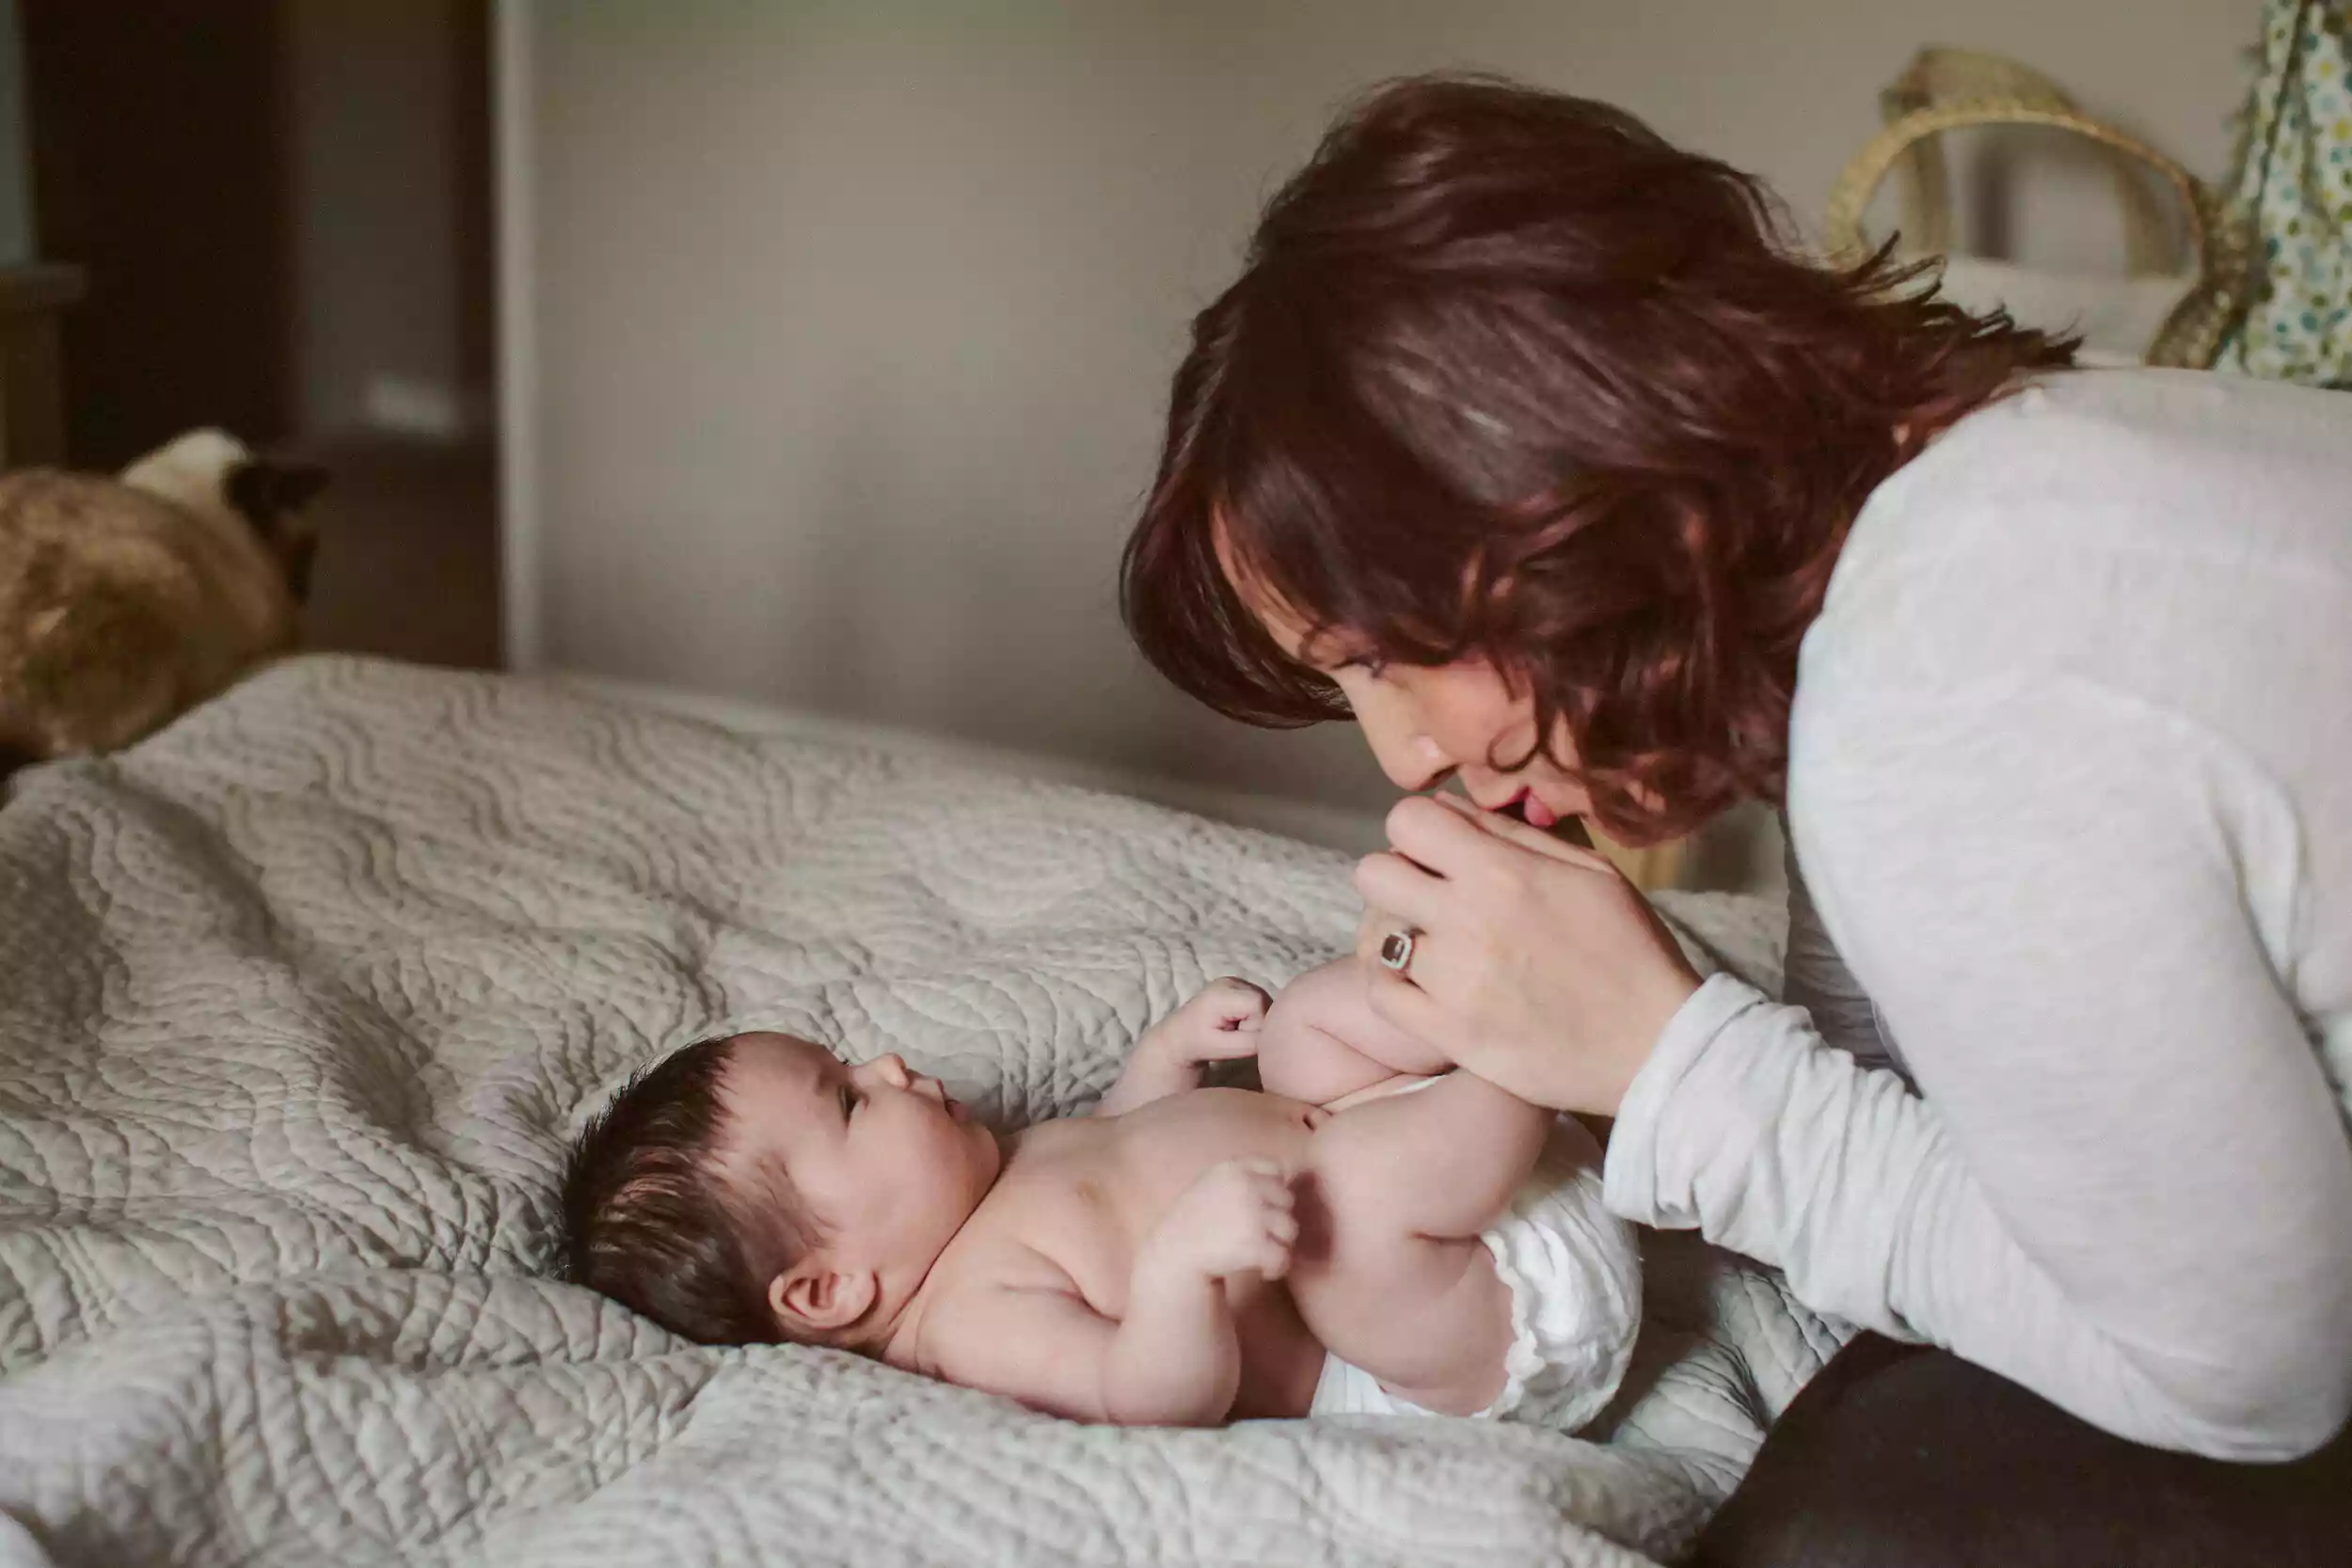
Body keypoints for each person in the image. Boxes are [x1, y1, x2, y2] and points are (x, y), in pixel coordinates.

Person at [1120, 71, 2352, 1564]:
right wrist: (1634, 1030)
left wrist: (1669, 1064)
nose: (1407, 751)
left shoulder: (1945, 692)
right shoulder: (1996, 457)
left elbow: (2252, 1379)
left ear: (1543, 489)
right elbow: (1918, 1074)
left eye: (1383, 655)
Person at [560, 962, 1640, 1432]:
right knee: (1346, 1209)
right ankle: (1536, 1051)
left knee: (1305, 1025)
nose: (886, 1064)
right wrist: (1181, 1267)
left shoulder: (991, 1175)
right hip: (1463, 1326)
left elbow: (1120, 1144)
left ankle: (1470, 996)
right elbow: (1143, 1395)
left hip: (1429, 1168)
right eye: (848, 1099)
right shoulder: (972, 1321)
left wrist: (1168, 1055)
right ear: (829, 1286)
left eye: (849, 1060)